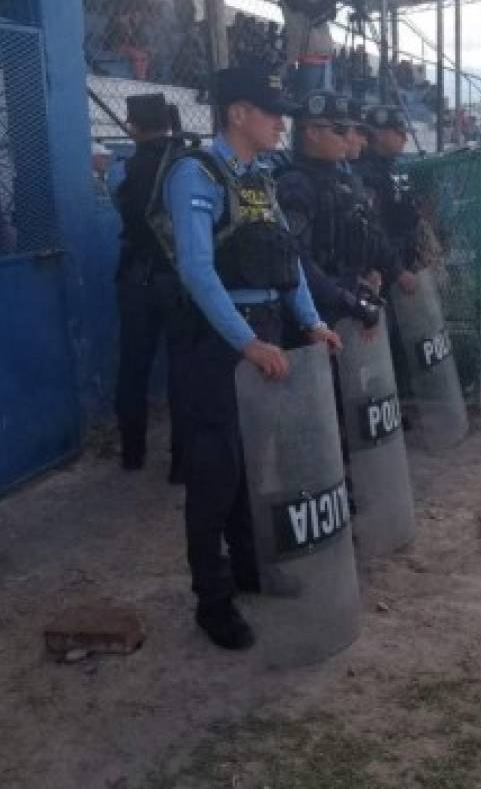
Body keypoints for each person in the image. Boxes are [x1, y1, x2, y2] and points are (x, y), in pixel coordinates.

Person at [156, 68, 340, 650]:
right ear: (237, 114)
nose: (280, 122)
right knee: (215, 471)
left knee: (254, 462)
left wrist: (311, 323)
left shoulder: (260, 178)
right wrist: (247, 342)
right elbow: (195, 269)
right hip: (218, 340)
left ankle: (245, 569)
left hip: (259, 331)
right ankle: (212, 601)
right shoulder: (196, 173)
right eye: (270, 111)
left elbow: (286, 261)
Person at [276, 93, 404, 324]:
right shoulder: (295, 186)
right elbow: (298, 262)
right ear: (312, 133)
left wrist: (364, 280)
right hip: (313, 316)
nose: (348, 139)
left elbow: (362, 238)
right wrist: (346, 299)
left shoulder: (343, 181)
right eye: (339, 130)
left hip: (345, 303)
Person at [112, 94, 188, 480]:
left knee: (134, 369)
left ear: (134, 126)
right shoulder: (186, 163)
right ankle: (181, 463)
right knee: (183, 370)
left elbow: (123, 209)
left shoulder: (129, 168)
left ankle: (132, 453)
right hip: (180, 278)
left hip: (138, 279)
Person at [355, 106, 427, 282]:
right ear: (379, 134)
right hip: (383, 272)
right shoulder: (365, 173)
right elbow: (372, 230)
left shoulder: (391, 167)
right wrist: (396, 270)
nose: (405, 138)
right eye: (399, 132)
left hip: (403, 261)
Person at [279, 0, 347, 99]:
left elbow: (331, 13)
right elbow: (312, 13)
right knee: (305, 110)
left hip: (322, 58)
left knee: (320, 113)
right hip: (304, 59)